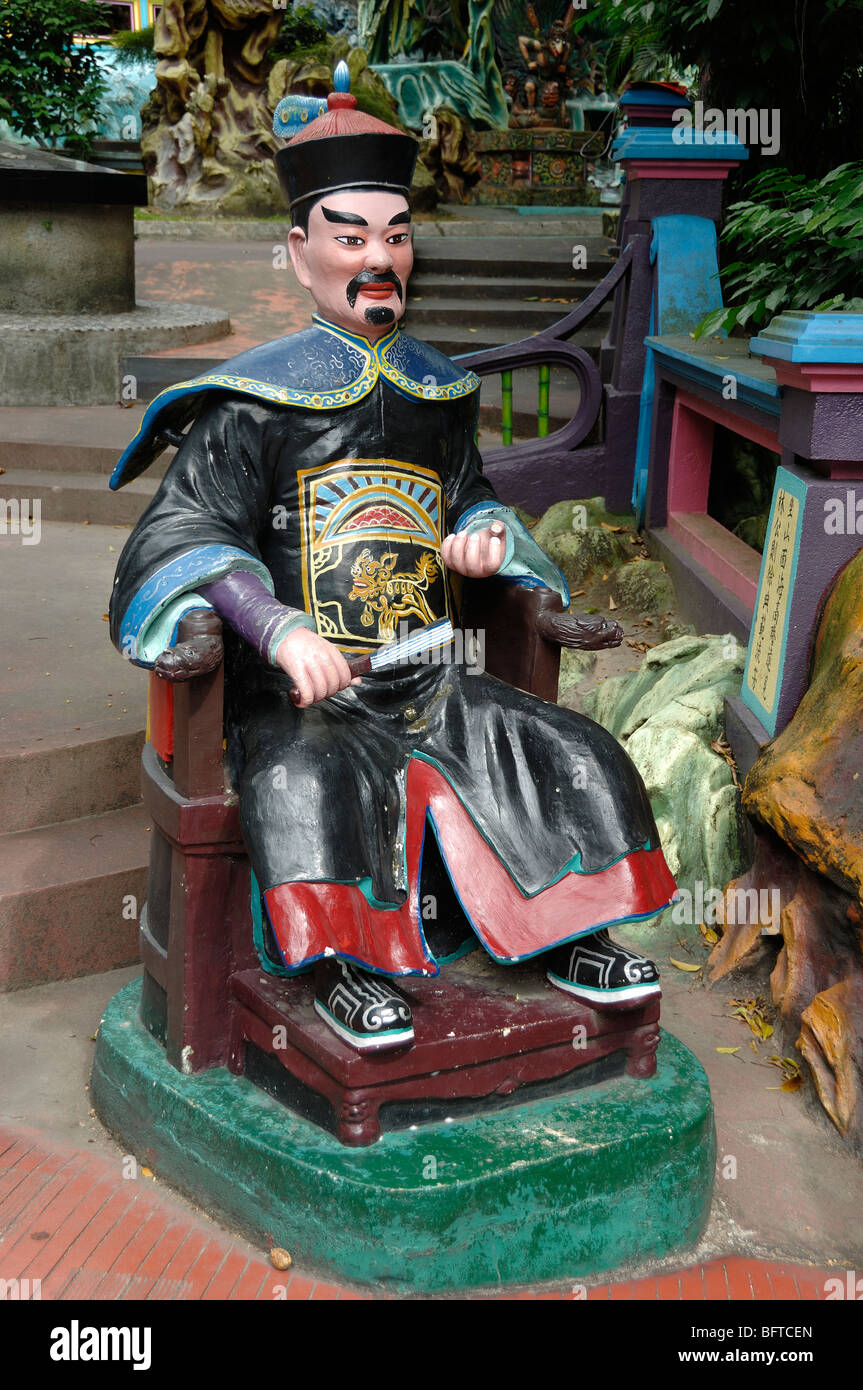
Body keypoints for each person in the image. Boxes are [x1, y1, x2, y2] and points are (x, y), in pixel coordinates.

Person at [109, 66, 675, 1053]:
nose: (378, 258)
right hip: (299, 693)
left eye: (394, 233)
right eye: (350, 234)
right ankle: (344, 966)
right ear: (300, 251)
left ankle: (570, 933)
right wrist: (274, 628)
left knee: (568, 751)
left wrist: (489, 536)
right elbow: (180, 533)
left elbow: (470, 495)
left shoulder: (434, 392)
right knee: (304, 781)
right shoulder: (250, 402)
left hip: (429, 675)